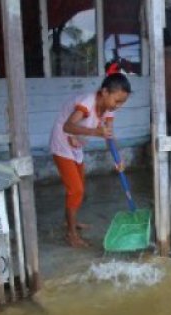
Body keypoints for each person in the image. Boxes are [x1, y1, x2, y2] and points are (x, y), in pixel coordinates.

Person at [49, 73, 131, 247]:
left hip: (76, 143)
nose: (118, 106)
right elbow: (68, 126)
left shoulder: (108, 109)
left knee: (79, 186)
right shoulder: (87, 102)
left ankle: (70, 221)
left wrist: (118, 158)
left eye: (122, 103)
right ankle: (71, 235)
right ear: (104, 92)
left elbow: (109, 134)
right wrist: (95, 132)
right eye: (117, 101)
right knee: (76, 189)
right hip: (62, 142)